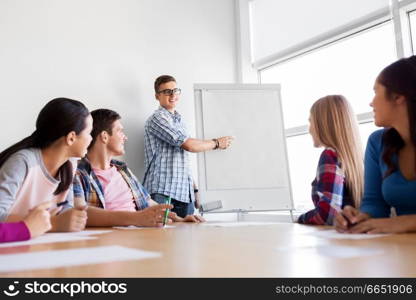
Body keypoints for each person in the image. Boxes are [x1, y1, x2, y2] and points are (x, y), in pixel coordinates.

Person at [72, 109, 203, 227]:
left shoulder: (122, 169)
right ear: (104, 136)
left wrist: (179, 219)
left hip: (140, 234)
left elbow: (148, 201)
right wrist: (135, 218)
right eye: (120, 131)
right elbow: (80, 212)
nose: (125, 137)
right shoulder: (78, 173)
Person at [335, 55, 416, 233]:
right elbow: (374, 205)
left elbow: (395, 223)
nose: (371, 102)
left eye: (375, 92)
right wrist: (357, 218)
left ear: (398, 97)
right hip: (403, 252)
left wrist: (405, 222)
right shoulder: (377, 142)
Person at [144, 75, 234, 217]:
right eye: (167, 91)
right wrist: (216, 143)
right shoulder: (157, 118)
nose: (173, 95)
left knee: (188, 237)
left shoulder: (181, 121)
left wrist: (195, 190)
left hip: (185, 195)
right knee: (161, 238)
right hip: (163, 192)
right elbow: (189, 146)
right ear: (157, 96)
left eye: (175, 90)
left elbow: (183, 161)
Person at [0, 98, 90, 232]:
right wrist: (53, 223)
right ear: (71, 138)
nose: (91, 138)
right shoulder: (22, 162)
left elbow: (65, 211)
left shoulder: (70, 165)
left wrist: (74, 217)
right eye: (89, 133)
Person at [297, 95, 364, 225]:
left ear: (323, 124)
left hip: (338, 240)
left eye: (311, 122)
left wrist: (300, 219)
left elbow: (327, 215)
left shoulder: (330, 156)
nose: (309, 129)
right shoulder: (355, 158)